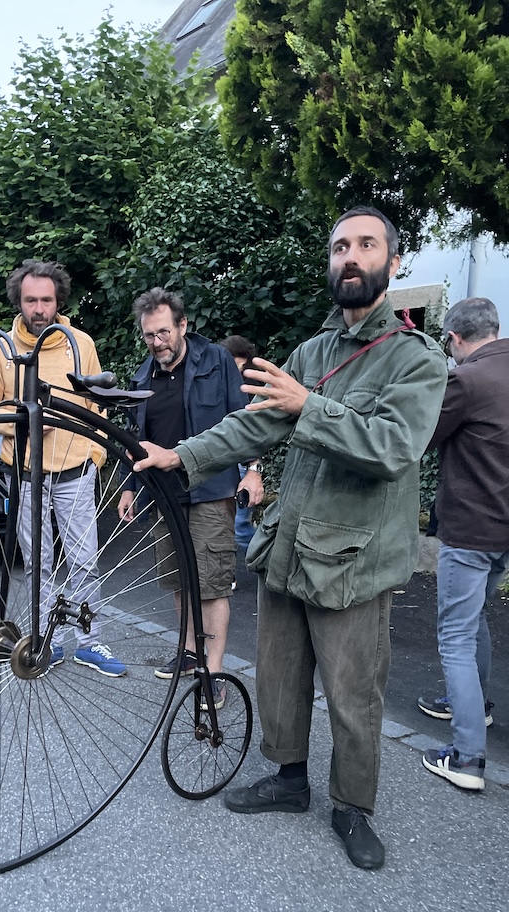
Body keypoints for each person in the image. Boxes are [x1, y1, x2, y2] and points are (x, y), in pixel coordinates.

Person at [130, 208, 448, 870]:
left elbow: (394, 449)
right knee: (280, 673)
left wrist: (310, 406)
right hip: (288, 545)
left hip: (354, 561)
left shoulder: (416, 358)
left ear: (393, 262)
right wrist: (180, 456)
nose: (350, 256)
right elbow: (252, 426)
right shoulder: (311, 353)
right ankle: (289, 778)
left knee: (353, 693)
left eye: (366, 244)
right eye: (340, 246)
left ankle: (352, 806)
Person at [0, 259, 126, 677]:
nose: (39, 309)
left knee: (84, 561)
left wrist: (95, 456)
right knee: (37, 563)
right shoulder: (3, 350)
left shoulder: (80, 344)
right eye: (30, 300)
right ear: (18, 301)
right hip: (26, 475)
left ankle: (89, 642)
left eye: (46, 300)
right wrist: (23, 424)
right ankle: (46, 641)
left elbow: (98, 404)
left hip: (75, 472)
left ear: (58, 301)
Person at [117, 288, 245, 703]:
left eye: (164, 332)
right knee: (177, 578)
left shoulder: (216, 361)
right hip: (163, 494)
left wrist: (254, 471)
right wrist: (129, 487)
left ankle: (215, 672)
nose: (158, 342)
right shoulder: (142, 377)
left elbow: (244, 421)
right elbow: (136, 439)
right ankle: (190, 654)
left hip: (210, 489)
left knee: (211, 584)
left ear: (183, 326)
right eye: (149, 335)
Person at [417, 297, 509, 791]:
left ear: (453, 339)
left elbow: (420, 437)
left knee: (454, 635)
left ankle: (468, 758)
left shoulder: (467, 380)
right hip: (503, 532)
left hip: (471, 528)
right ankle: (475, 706)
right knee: (473, 621)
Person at [218, 335, 265, 550]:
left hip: (244, 458)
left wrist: (253, 467)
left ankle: (265, 559)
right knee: (229, 525)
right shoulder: (222, 381)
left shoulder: (250, 385)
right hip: (227, 457)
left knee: (239, 526)